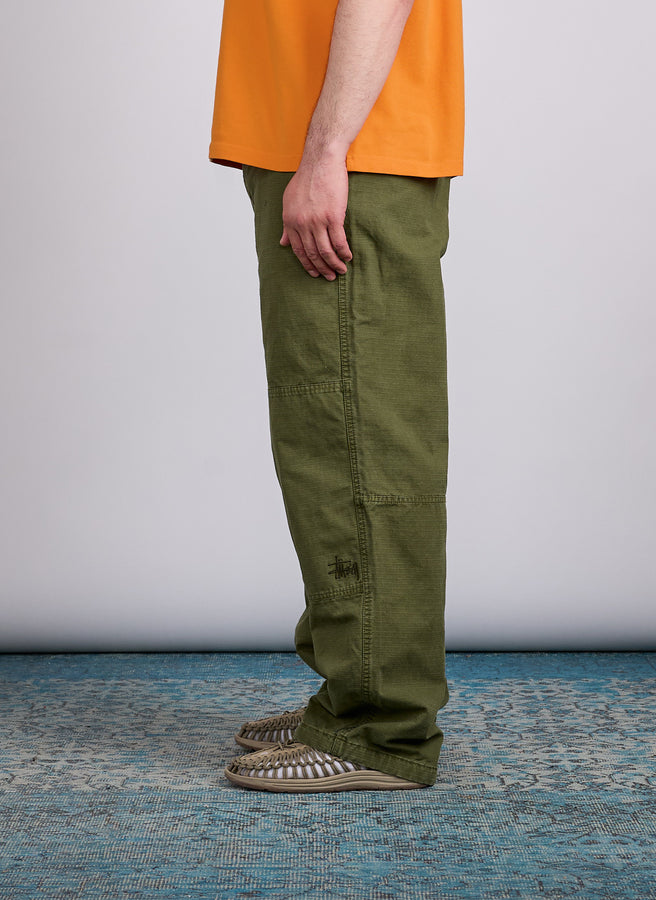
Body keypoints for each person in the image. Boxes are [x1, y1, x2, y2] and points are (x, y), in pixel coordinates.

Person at [208, 0, 464, 792]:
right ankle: (348, 691)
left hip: (352, 151)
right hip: (324, 141)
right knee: (327, 443)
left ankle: (379, 726)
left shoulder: (338, 151)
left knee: (362, 445)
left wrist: (326, 151)